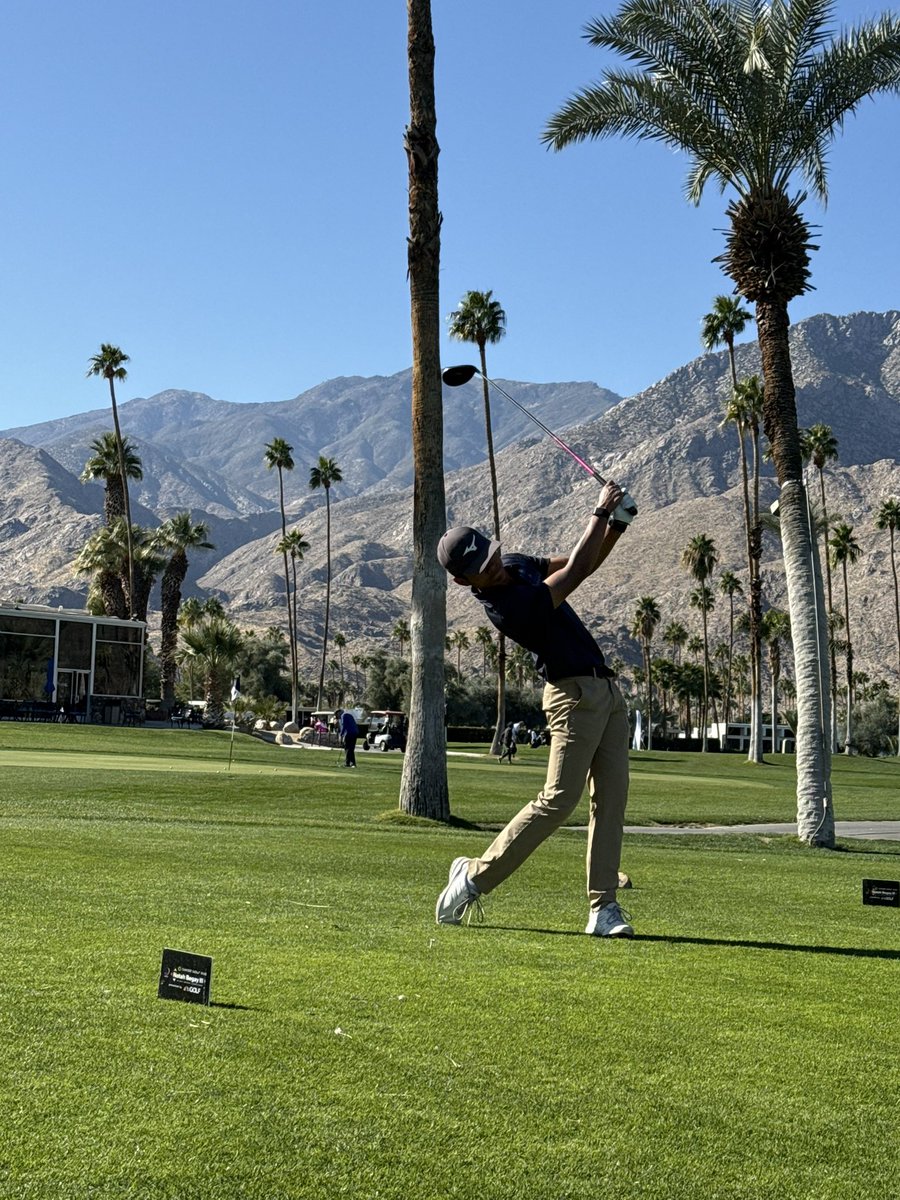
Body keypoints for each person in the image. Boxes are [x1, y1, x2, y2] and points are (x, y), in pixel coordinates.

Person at [434, 479, 634, 938]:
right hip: (571, 697)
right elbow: (576, 573)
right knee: (558, 801)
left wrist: (617, 525)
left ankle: (604, 909)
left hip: (606, 692)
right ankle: (474, 877)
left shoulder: (515, 566)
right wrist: (600, 512)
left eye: (493, 555)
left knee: (611, 803)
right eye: (485, 567)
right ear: (465, 581)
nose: (497, 566)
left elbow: (583, 563)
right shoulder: (508, 607)